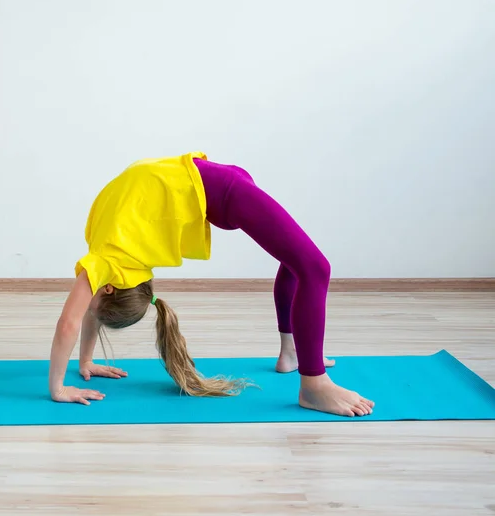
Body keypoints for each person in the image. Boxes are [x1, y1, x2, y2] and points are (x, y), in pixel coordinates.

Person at [48, 152, 374, 417]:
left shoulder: (106, 261)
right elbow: (91, 311)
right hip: (220, 185)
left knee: (310, 267)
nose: (86, 299)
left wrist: (59, 387)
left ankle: (309, 379)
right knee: (308, 265)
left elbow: (70, 323)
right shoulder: (108, 255)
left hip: (225, 189)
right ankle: (302, 366)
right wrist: (85, 361)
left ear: (108, 288)